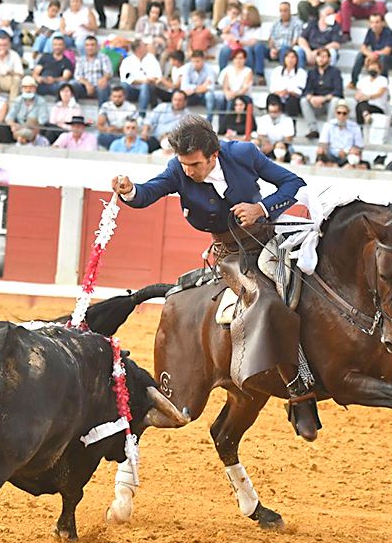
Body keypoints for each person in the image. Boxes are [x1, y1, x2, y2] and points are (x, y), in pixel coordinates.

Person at [111, 115, 318, 440]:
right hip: (232, 256)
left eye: (195, 164)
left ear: (214, 155)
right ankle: (299, 392)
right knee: (267, 301)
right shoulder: (179, 170)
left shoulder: (244, 154)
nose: (189, 171)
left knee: (314, 285)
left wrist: (260, 209)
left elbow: (294, 184)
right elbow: (149, 193)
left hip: (271, 238)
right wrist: (130, 190)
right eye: (184, 164)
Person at [301, 47, 344, 138]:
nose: (321, 59)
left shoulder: (335, 72)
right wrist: (311, 98)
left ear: (329, 59)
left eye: (324, 57)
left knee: (336, 100)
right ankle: (313, 129)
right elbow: (306, 90)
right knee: (303, 101)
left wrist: (323, 99)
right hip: (316, 104)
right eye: (319, 56)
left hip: (329, 104)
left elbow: (338, 91)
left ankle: (329, 129)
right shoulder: (312, 72)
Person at [349, 12, 392, 87]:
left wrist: (374, 55)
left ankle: (383, 84)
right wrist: (370, 55)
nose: (374, 25)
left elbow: (387, 51)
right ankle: (354, 82)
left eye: (377, 22)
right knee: (360, 56)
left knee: (383, 58)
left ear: (382, 23)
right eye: (372, 22)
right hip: (376, 57)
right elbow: (363, 47)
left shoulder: (388, 32)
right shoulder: (370, 31)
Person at [120, 40, 163, 113]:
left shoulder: (151, 59)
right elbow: (125, 78)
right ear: (138, 49)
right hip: (132, 89)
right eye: (144, 46)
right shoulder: (127, 61)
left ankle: (141, 114)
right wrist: (142, 81)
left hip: (149, 88)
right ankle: (124, 112)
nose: (146, 47)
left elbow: (158, 75)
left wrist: (150, 80)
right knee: (124, 85)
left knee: (145, 86)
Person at [176, 50, 219, 121]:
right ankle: (181, 120)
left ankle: (208, 122)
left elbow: (210, 87)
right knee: (180, 96)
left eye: (197, 61)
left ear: (203, 60)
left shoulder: (210, 69)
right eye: (193, 61)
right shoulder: (187, 68)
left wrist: (193, 89)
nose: (195, 64)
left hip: (203, 96)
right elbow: (184, 87)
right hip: (191, 96)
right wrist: (202, 87)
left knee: (210, 95)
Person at [269, 49, 306, 118]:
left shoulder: (301, 73)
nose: (290, 60)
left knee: (292, 99)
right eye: (288, 57)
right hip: (279, 96)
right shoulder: (277, 70)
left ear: (296, 59)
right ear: (284, 59)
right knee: (272, 98)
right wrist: (280, 92)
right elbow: (272, 88)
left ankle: (292, 121)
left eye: (293, 57)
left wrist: (288, 92)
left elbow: (300, 90)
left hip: (293, 97)